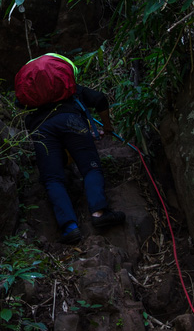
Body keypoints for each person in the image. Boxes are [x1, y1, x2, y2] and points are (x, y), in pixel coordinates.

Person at [20, 60, 126, 245]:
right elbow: (100, 99)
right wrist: (107, 126)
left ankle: (70, 228)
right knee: (90, 167)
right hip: (72, 120)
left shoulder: (32, 100)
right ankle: (99, 212)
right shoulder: (72, 90)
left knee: (52, 179)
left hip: (41, 128)